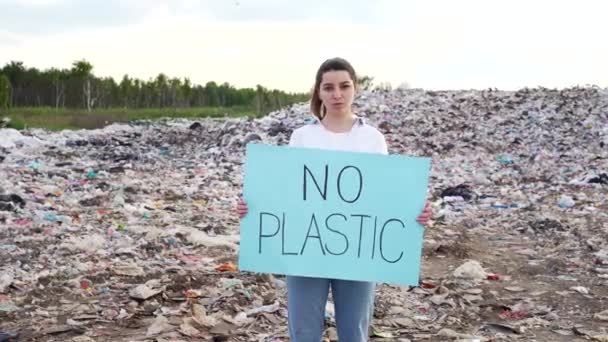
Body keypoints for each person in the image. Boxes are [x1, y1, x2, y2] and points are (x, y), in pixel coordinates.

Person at [237, 57, 433, 341]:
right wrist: (253, 207)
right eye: (328, 87)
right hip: (305, 248)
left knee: (354, 332)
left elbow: (385, 195)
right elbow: (289, 192)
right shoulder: (302, 137)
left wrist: (414, 212)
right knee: (304, 332)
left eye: (344, 86)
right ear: (319, 92)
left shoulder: (372, 139)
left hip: (357, 249)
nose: (337, 94)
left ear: (356, 89)